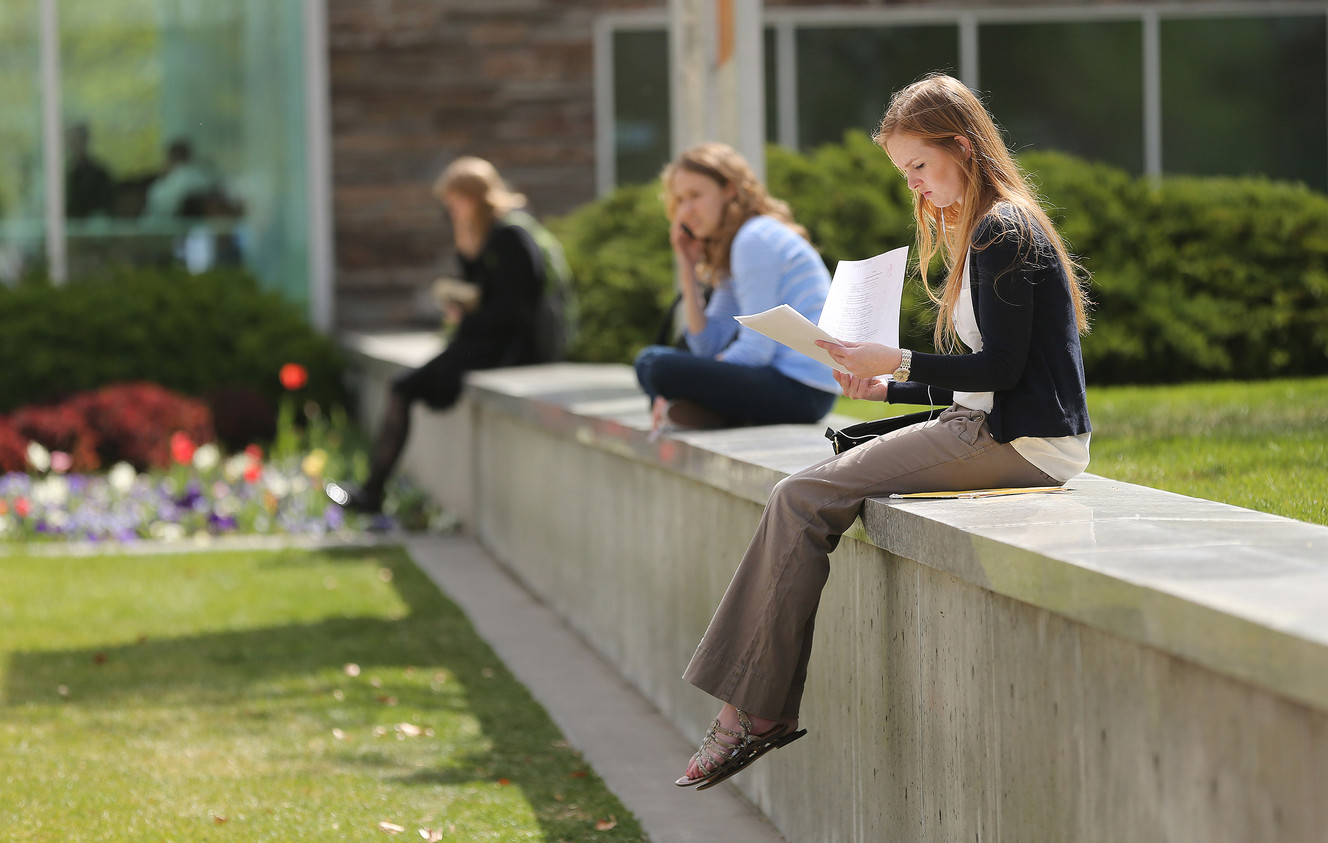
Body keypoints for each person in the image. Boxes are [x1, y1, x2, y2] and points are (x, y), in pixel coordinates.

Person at [674, 73, 1093, 791]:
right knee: (807, 487)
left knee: (800, 496)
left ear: (962, 146)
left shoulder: (1002, 229)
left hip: (1020, 440)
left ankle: (752, 711)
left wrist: (894, 356)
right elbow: (984, 371)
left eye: (920, 166)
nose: (917, 187)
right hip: (996, 424)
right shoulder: (990, 224)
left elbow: (1002, 366)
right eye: (907, 174)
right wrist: (887, 385)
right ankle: (750, 706)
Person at [326, 156, 565, 513]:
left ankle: (372, 492)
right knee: (403, 387)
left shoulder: (511, 235)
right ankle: (371, 489)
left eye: (456, 201)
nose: (451, 210)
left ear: (475, 196)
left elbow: (514, 309)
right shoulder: (488, 236)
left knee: (403, 388)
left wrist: (470, 313)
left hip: (509, 347)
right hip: (487, 341)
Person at [633, 142, 839, 434]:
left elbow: (755, 352)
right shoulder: (741, 241)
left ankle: (711, 410)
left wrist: (697, 378)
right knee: (655, 362)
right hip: (795, 389)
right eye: (679, 200)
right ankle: (719, 413)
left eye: (695, 196)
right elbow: (708, 343)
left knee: (654, 364)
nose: (685, 211)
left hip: (802, 391)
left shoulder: (754, 239)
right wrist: (687, 269)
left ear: (729, 189)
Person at [65, 123, 115, 219]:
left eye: (76, 141)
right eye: (70, 142)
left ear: (85, 142)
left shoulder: (98, 175)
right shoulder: (64, 175)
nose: (73, 146)